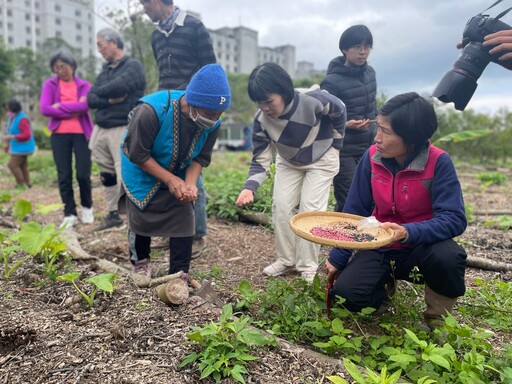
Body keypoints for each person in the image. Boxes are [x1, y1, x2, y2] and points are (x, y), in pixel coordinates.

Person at [326, 92, 467, 330]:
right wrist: (338, 257)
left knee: (448, 257)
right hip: (380, 244)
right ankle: (383, 286)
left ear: (412, 137)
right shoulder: (372, 157)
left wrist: (407, 231)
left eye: (386, 132)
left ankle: (437, 320)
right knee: (347, 296)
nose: (377, 138)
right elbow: (354, 210)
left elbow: (454, 219)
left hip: (422, 247)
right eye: (377, 128)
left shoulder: (439, 162)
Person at [235, 63, 346, 283]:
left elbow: (340, 109)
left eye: (269, 101)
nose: (265, 107)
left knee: (310, 210)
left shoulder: (313, 99)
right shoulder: (261, 120)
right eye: (259, 102)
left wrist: (336, 143)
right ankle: (287, 260)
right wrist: (249, 187)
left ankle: (307, 266)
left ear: (284, 92)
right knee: (281, 207)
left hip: (322, 158)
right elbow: (260, 160)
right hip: (289, 161)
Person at [121, 63, 231, 277]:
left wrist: (189, 184)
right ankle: (140, 261)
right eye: (209, 113)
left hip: (178, 167)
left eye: (219, 114)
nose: (214, 119)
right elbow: (138, 154)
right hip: (141, 167)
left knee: (184, 215)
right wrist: (170, 180)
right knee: (141, 216)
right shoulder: (151, 111)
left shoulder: (212, 123)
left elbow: (200, 158)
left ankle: (179, 273)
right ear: (192, 102)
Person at [140, 0, 217, 258]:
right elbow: (162, 73)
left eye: (145, 3)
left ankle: (197, 232)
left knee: (193, 166)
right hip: (168, 109)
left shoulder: (194, 27)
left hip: (193, 109)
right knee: (169, 166)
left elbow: (210, 70)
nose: (144, 8)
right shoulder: (156, 36)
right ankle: (175, 229)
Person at [87, 28, 146, 232]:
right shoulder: (106, 70)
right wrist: (109, 98)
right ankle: (113, 214)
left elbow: (117, 87)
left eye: (101, 44)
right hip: (101, 128)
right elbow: (90, 98)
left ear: (113, 42)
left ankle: (135, 218)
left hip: (122, 126)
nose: (99, 49)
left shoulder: (133, 66)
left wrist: (102, 95)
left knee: (125, 172)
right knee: (106, 171)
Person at [320, 25, 377, 212]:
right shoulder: (331, 82)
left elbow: (372, 107)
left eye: (367, 47)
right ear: (344, 48)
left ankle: (366, 238)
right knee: (350, 197)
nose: (363, 52)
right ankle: (342, 240)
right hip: (343, 150)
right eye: (357, 47)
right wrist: (346, 124)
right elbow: (322, 121)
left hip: (369, 146)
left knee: (373, 195)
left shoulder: (370, 74)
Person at [40, 50, 95, 229]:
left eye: (62, 66)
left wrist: (60, 106)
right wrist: (73, 108)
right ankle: (69, 213)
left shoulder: (84, 85)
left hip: (82, 134)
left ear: (71, 66)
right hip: (59, 135)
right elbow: (45, 108)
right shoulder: (50, 85)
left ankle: (87, 207)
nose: (59, 71)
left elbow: (85, 106)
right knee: (64, 175)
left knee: (83, 174)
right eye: (55, 68)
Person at [3, 99, 35, 189]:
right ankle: (28, 183)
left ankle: (20, 183)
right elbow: (9, 131)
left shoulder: (22, 119)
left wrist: (12, 137)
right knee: (22, 165)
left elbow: (27, 134)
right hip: (17, 147)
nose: (7, 110)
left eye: (8, 108)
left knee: (12, 165)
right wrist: (7, 144)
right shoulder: (12, 118)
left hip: (24, 147)